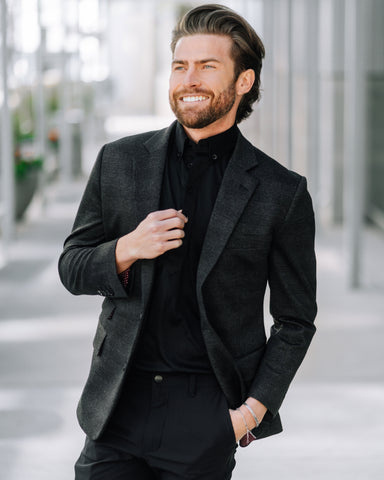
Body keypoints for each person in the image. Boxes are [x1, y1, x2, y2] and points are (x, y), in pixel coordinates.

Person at [59, 4, 317, 479]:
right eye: (181, 65)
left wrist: (251, 413)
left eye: (207, 66)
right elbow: (71, 267)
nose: (189, 79)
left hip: (206, 415)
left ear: (243, 81)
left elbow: (296, 320)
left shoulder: (282, 192)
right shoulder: (119, 161)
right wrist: (127, 248)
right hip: (116, 406)